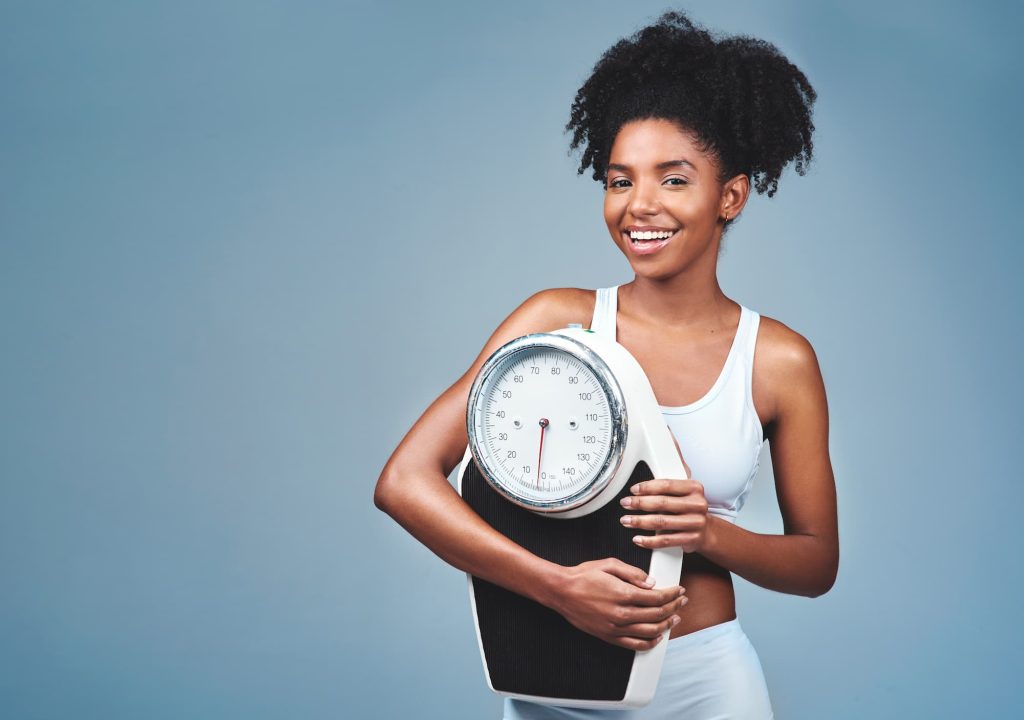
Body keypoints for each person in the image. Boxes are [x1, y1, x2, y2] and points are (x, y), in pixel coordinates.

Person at [374, 9, 838, 719]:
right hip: (549, 677)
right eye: (620, 181)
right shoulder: (553, 322)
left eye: (673, 180)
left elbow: (816, 563)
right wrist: (555, 588)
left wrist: (708, 533)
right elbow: (404, 482)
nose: (638, 206)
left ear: (731, 196)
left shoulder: (777, 360)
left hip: (704, 685)